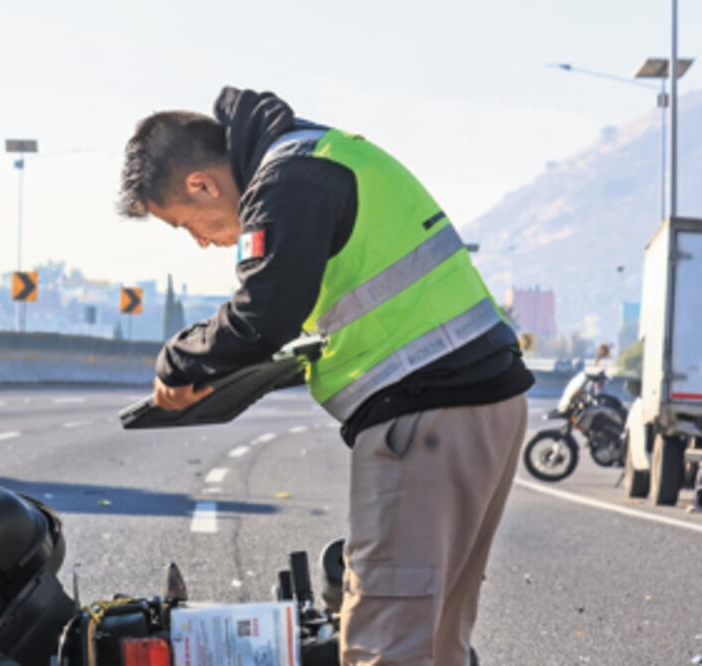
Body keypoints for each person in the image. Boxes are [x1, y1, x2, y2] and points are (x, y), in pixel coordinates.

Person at [118, 87, 535, 665]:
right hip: (478, 405)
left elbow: (263, 313)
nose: (201, 240)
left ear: (202, 185)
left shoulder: (288, 180)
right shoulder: (323, 154)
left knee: (384, 645)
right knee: (438, 643)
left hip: (426, 414)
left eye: (186, 225)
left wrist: (179, 359)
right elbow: (347, 315)